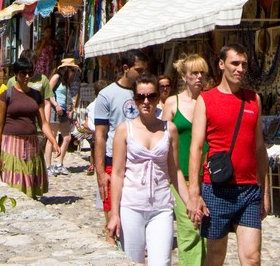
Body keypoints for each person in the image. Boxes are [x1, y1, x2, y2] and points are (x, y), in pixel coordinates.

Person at [188, 44, 268, 266]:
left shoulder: (254, 99)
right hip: (216, 189)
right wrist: (194, 192)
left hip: (249, 190)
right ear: (222, 64)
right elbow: (196, 147)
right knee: (215, 256)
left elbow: (260, 147)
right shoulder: (206, 99)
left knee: (252, 258)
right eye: (235, 63)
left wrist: (265, 191)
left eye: (244, 64)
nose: (240, 69)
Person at [107, 76, 192, 266]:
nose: (146, 102)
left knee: (162, 262)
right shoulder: (124, 130)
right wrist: (114, 214)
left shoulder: (169, 129)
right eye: (140, 97)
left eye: (151, 96)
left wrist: (189, 203)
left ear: (158, 97)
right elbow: (118, 173)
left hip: (161, 207)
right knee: (133, 261)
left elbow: (175, 171)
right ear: (134, 99)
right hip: (132, 206)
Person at [159, 53, 209, 266]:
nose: (199, 77)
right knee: (190, 229)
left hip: (207, 176)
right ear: (184, 76)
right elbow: (162, 139)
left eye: (202, 73)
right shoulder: (172, 103)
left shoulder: (210, 101)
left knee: (208, 233)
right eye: (194, 73)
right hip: (181, 176)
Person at [94, 50, 149, 226]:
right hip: (113, 158)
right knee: (111, 205)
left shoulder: (144, 95)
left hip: (137, 158)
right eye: (139, 70)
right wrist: (101, 172)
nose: (142, 75)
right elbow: (100, 135)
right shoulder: (107, 95)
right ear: (126, 68)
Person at [0, 57, 58, 199]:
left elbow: (43, 123)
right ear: (16, 74)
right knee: (14, 183)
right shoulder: (6, 96)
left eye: (30, 73)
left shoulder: (36, 96)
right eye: (23, 73)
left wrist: (53, 141)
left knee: (29, 183)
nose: (27, 76)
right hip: (11, 144)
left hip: (31, 145)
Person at [46, 57, 81, 175]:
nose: (73, 73)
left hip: (64, 110)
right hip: (55, 110)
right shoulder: (56, 77)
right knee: (52, 137)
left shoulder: (66, 82)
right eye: (73, 70)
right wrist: (56, 105)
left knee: (67, 137)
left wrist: (70, 106)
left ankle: (59, 163)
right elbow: (48, 92)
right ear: (67, 69)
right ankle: (48, 165)